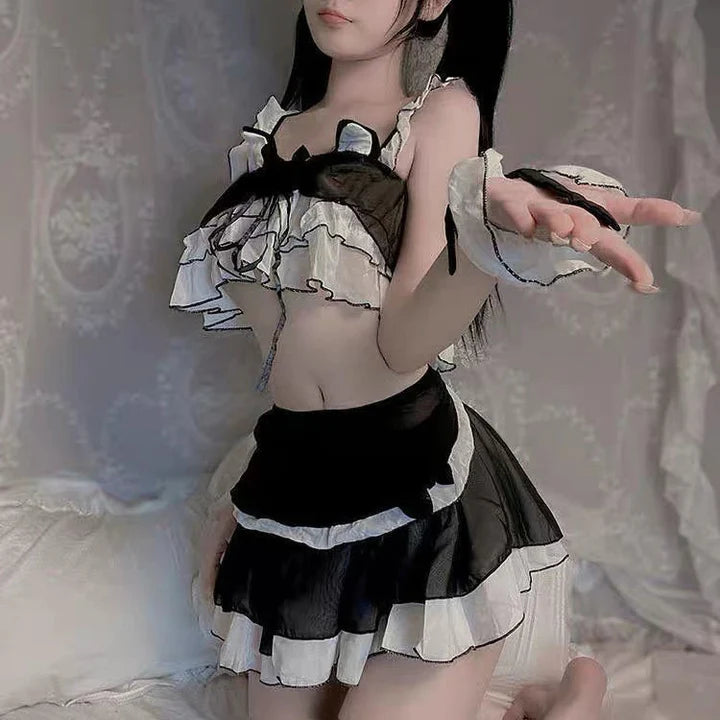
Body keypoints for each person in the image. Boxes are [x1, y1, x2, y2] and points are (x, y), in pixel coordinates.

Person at [170, 1, 701, 718]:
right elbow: (285, 366)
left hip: (410, 487)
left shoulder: (440, 113)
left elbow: (403, 345)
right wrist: (242, 500)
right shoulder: (268, 136)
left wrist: (485, 246)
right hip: (293, 487)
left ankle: (574, 696)